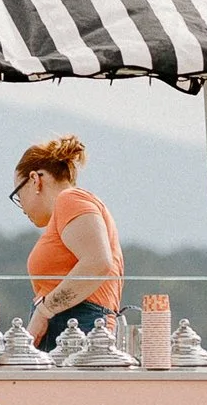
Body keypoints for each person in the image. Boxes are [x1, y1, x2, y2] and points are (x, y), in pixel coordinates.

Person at [10, 133, 124, 354]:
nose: (21, 205)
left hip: (76, 327)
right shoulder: (70, 206)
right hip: (74, 326)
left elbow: (98, 262)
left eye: (18, 194)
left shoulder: (70, 200)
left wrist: (44, 311)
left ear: (35, 180)